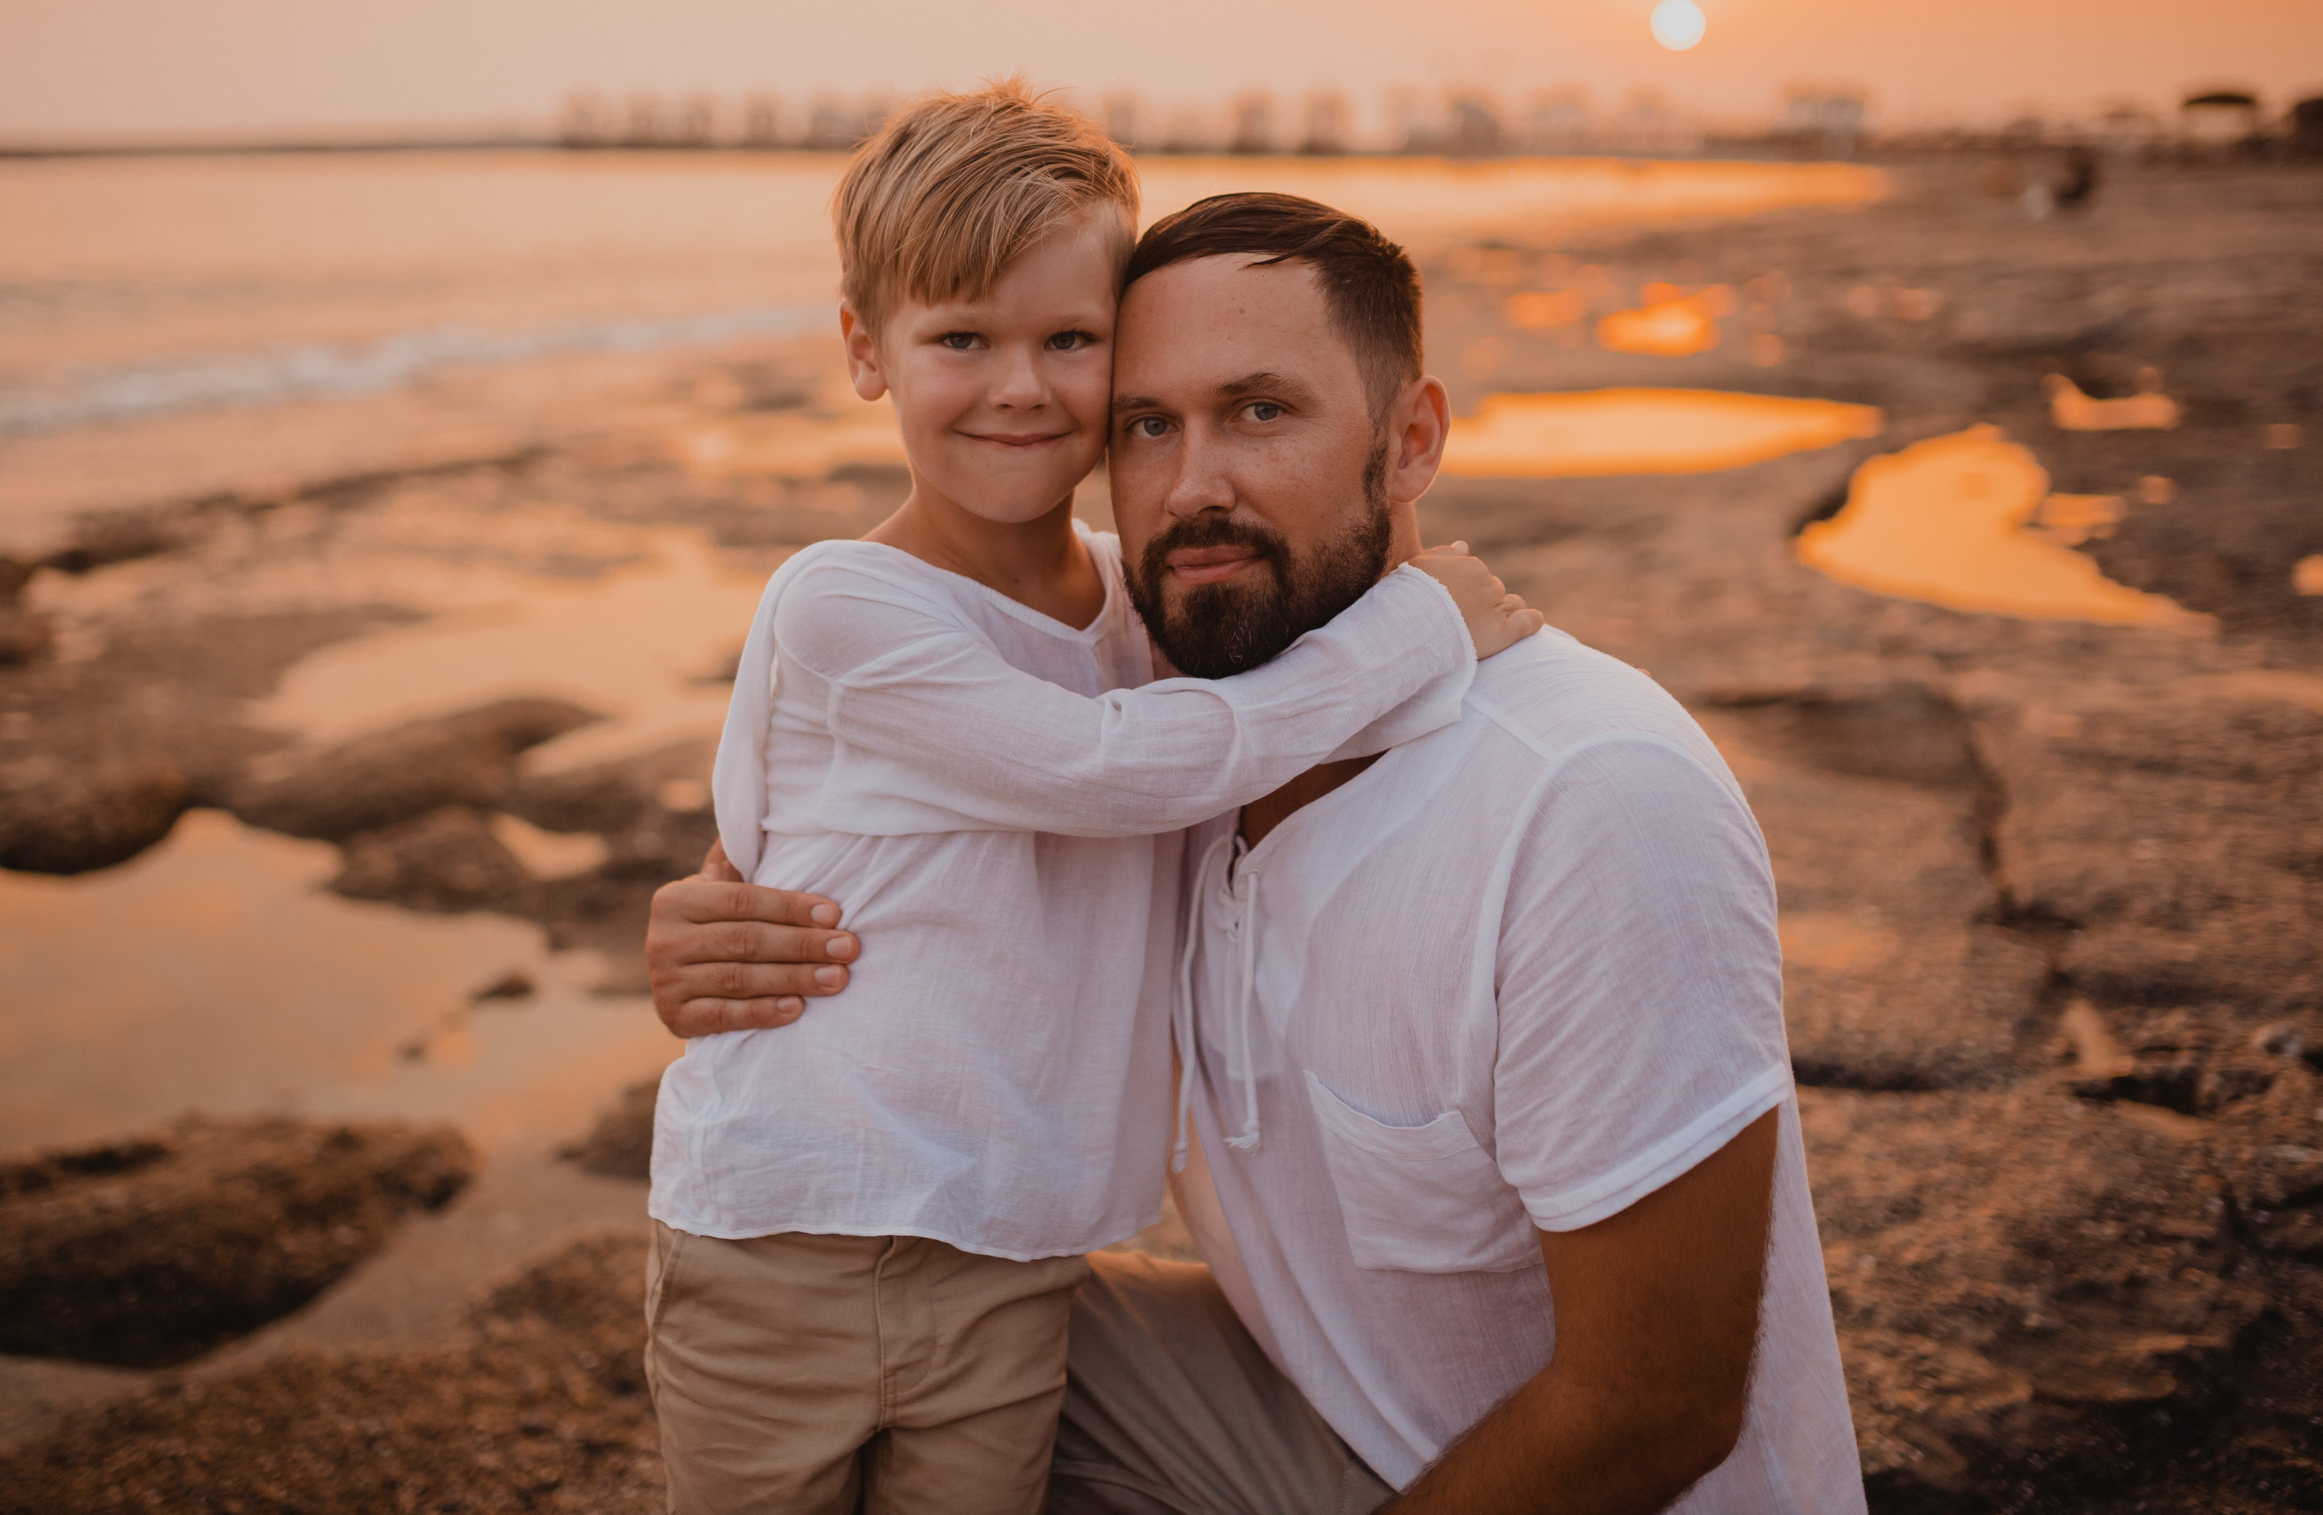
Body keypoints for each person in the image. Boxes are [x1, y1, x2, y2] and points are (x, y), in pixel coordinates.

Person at [648, 190, 1869, 1514]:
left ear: (1413, 443)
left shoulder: (1588, 797)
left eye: (1262, 412)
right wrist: (730, 925)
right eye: (1146, 424)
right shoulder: (1158, 729)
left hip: (1534, 1485)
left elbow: (1656, 1406)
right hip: (1317, 1414)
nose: (1194, 486)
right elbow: (974, 777)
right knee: (904, 1301)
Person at [643, 85, 1541, 1515]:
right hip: (789, 1239)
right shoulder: (844, 604)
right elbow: (1111, 772)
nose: (1021, 387)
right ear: (865, 352)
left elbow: (1231, 707)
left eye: (1070, 340)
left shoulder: (1143, 613)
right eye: (960, 340)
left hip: (1018, 1252)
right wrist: (1414, 633)